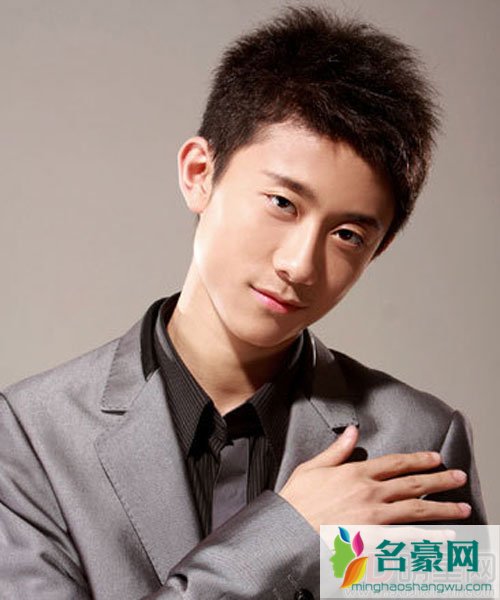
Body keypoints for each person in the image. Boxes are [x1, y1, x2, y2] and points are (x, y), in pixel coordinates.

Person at [0, 6, 486, 600]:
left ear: (376, 251)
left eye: (348, 235)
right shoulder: (29, 437)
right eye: (282, 203)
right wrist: (288, 532)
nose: (299, 265)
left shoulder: (416, 442)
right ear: (199, 173)